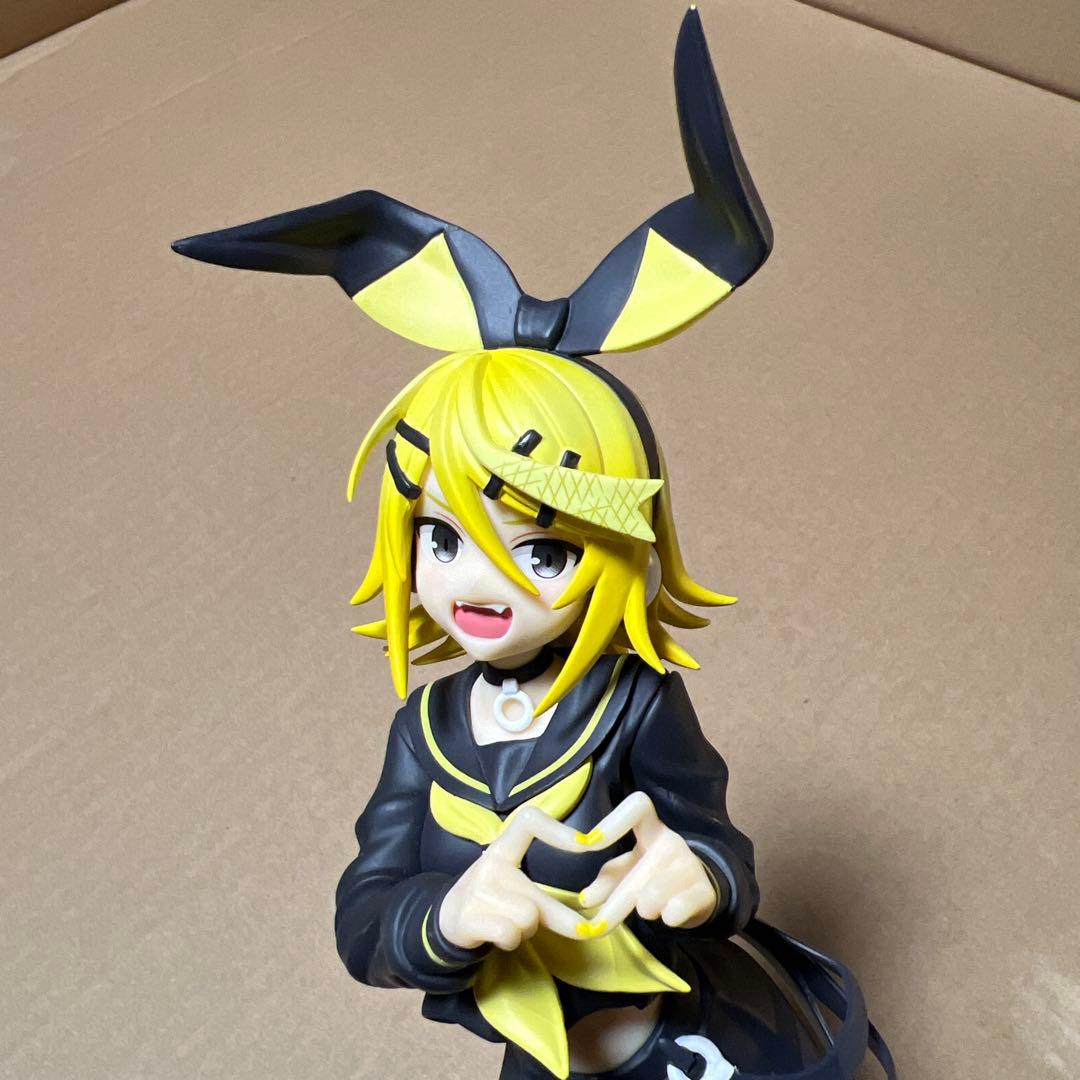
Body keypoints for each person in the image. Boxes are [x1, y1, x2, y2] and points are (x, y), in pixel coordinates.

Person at [172, 10, 894, 1078]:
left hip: (687, 1037)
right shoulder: (425, 731)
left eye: (544, 553)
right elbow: (364, 914)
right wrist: (444, 915)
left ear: (618, 545)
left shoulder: (635, 703)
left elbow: (715, 841)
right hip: (547, 1056)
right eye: (443, 535)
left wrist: (701, 877)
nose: (479, 580)